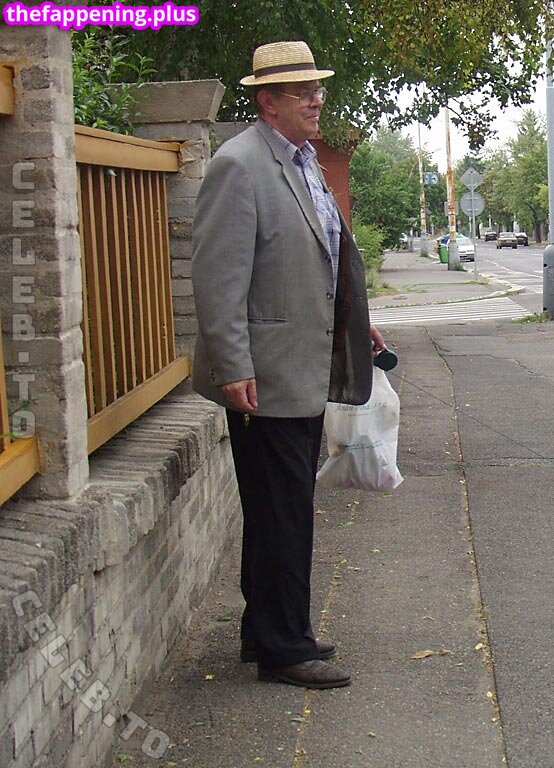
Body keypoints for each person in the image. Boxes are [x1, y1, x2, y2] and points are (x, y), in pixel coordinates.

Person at [192, 41, 386, 689]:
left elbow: (322, 258)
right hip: (264, 375)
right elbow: (218, 278)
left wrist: (354, 318)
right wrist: (232, 365)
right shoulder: (238, 166)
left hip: (299, 366)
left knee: (278, 507)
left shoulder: (302, 162)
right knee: (283, 513)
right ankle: (284, 648)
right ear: (268, 101)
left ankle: (265, 631)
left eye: (317, 88)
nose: (316, 100)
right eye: (302, 92)